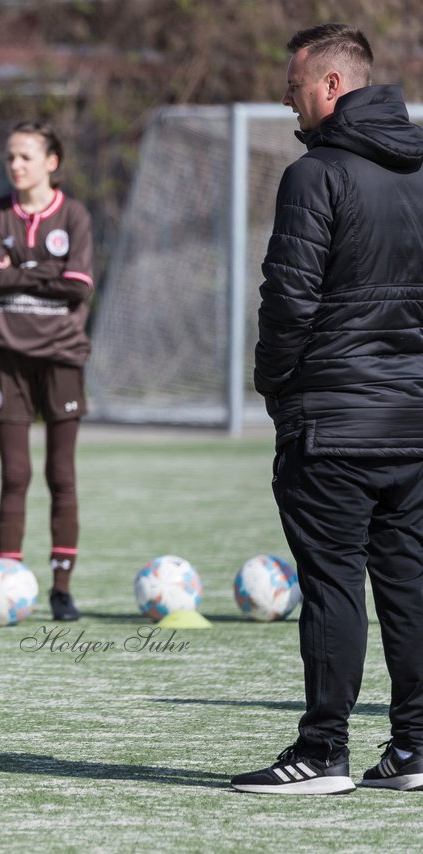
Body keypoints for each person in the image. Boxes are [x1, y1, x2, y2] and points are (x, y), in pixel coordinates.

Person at [231, 23, 423, 795]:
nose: (286, 96)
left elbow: (289, 302)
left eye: (295, 84)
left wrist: (274, 386)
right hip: (411, 421)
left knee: (335, 583)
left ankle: (323, 754)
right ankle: (413, 750)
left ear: (332, 86)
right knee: (408, 581)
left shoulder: (317, 175)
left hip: (332, 422)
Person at [0, 121, 95, 622]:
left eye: (25, 156)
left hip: (62, 356)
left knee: (60, 474)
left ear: (52, 161)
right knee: (15, 475)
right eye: (11, 157)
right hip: (8, 356)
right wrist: (47, 270)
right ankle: (7, 582)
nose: (15, 165)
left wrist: (17, 273)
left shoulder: (75, 215)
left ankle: (61, 590)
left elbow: (79, 286)